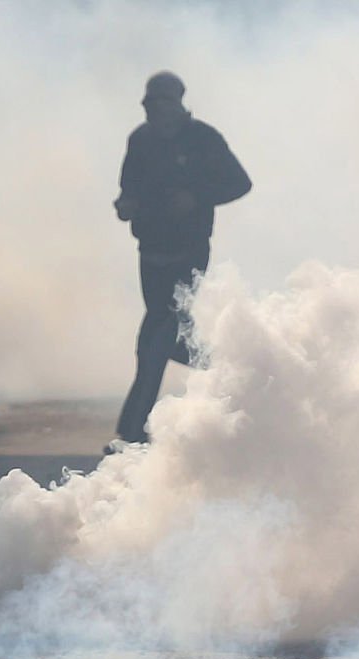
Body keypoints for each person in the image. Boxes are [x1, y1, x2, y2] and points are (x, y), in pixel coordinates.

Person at [110, 70, 251, 447]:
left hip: (188, 251)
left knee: (157, 333)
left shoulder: (204, 139)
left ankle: (132, 432)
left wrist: (197, 196)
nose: (158, 114)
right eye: (152, 107)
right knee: (168, 336)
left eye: (165, 106)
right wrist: (127, 205)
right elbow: (129, 185)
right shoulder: (140, 141)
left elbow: (240, 183)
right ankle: (234, 375)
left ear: (179, 105)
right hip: (150, 253)